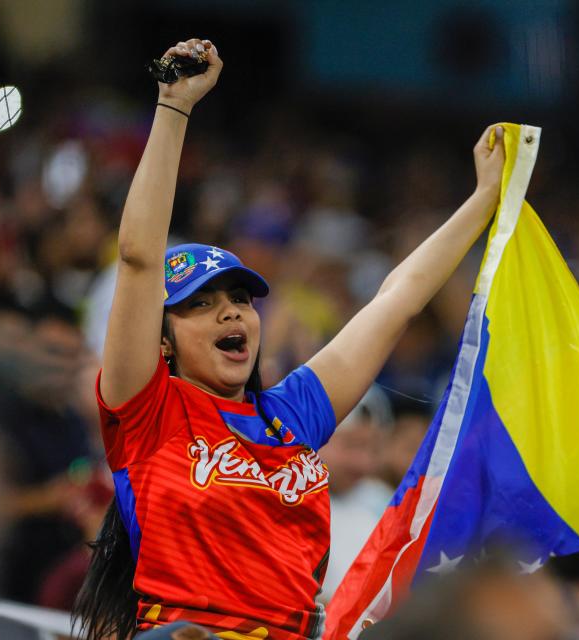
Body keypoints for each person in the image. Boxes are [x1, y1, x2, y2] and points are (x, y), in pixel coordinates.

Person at [73, 38, 506, 640]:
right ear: (162, 341)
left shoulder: (293, 415)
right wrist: (174, 108)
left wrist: (483, 201)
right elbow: (140, 258)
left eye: (240, 301)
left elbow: (396, 300)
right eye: (201, 306)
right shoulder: (147, 412)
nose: (231, 315)